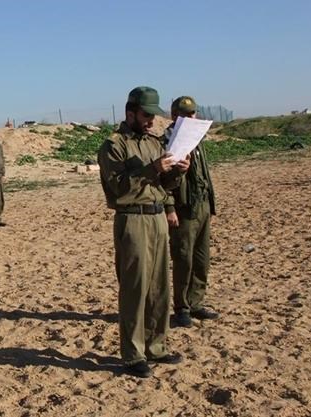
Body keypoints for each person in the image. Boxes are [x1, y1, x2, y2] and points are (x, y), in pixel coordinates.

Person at [98, 86, 190, 378]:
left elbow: (164, 186)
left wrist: (178, 171)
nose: (151, 121)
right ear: (130, 113)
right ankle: (133, 355)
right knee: (135, 289)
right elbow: (118, 187)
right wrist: (152, 169)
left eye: (153, 116)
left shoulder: (153, 142)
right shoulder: (114, 146)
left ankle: (156, 347)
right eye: (146, 115)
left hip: (157, 218)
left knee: (159, 287)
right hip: (132, 220)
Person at [163, 96, 219, 327]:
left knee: (201, 260)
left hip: (202, 206)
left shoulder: (197, 139)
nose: (189, 118)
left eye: (192, 113)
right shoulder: (168, 141)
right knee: (183, 260)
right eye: (184, 114)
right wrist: (169, 208)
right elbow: (163, 181)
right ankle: (182, 308)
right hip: (183, 209)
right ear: (174, 116)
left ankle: (196, 302)